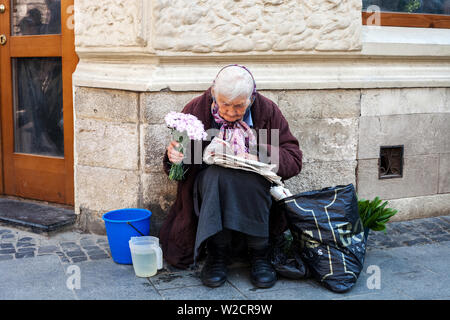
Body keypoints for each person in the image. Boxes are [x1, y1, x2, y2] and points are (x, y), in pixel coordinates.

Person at [160, 65, 303, 288]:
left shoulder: (266, 112)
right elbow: (184, 167)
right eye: (224, 104)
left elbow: (293, 160)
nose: (231, 112)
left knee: (252, 180)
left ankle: (260, 253)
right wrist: (175, 157)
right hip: (210, 185)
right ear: (214, 95)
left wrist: (259, 155)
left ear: (251, 98)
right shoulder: (198, 109)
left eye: (239, 106)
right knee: (219, 176)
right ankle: (218, 254)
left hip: (254, 185)